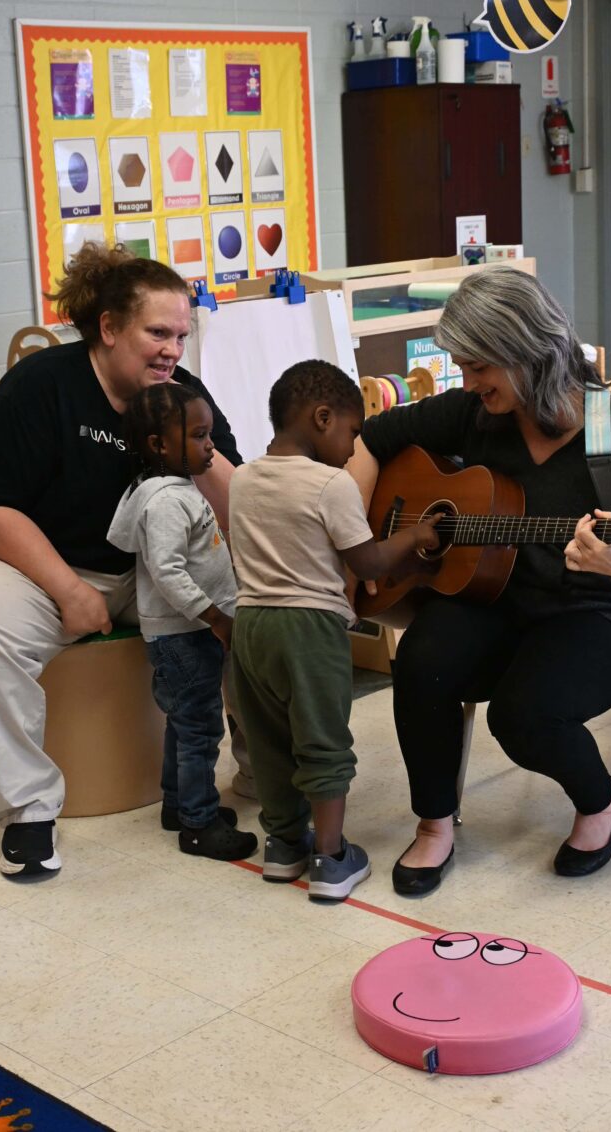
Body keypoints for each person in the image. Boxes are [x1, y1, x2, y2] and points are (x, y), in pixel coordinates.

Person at [347, 267, 611, 898]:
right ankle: (435, 823)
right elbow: (366, 440)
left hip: (603, 608)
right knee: (422, 662)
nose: (467, 383)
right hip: (498, 595)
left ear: (525, 352)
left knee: (526, 714)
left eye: (478, 367)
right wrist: (364, 553)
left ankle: (602, 801)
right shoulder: (478, 415)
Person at [0, 243, 249, 879]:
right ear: (108, 329)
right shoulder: (43, 384)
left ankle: (259, 762)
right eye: (157, 333)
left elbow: (236, 506)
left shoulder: (182, 394)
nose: (172, 350)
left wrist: (200, 445)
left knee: (256, 599)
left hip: (147, 570)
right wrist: (68, 589)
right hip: (32, 561)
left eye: (182, 336)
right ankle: (27, 810)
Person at [229, 361, 439, 901]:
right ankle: (331, 859)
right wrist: (415, 538)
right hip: (309, 628)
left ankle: (283, 848)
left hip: (250, 625)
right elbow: (367, 563)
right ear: (323, 417)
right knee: (322, 741)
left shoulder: (244, 477)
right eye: (352, 430)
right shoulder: (331, 485)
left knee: (271, 741)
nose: (352, 448)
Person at [107, 382, 258, 861]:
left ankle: (178, 805)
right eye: (198, 435)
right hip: (186, 635)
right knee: (200, 730)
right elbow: (166, 569)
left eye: (208, 434)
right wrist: (215, 617)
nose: (210, 445)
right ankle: (198, 824)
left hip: (187, 633)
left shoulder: (170, 488)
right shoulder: (167, 501)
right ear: (158, 445)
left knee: (184, 723)